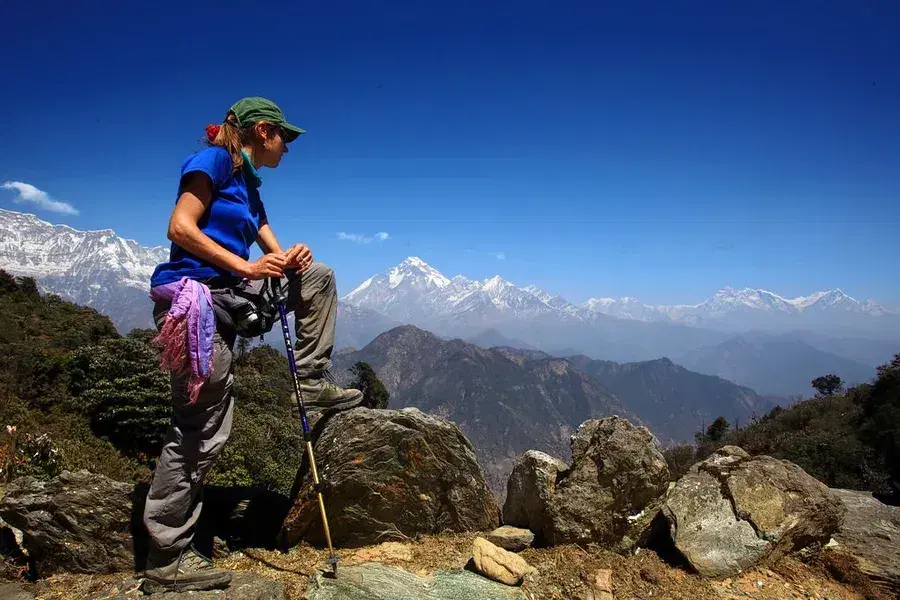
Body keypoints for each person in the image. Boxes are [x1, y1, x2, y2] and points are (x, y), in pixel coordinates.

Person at [142, 97, 363, 593]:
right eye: (287, 137)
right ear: (264, 131)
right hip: (194, 300)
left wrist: (291, 258)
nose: (289, 147)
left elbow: (274, 255)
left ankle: (307, 381)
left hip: (229, 294)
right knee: (202, 429)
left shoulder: (248, 184)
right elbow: (180, 227)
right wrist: (246, 267)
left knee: (318, 277)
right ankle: (165, 561)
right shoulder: (216, 161)